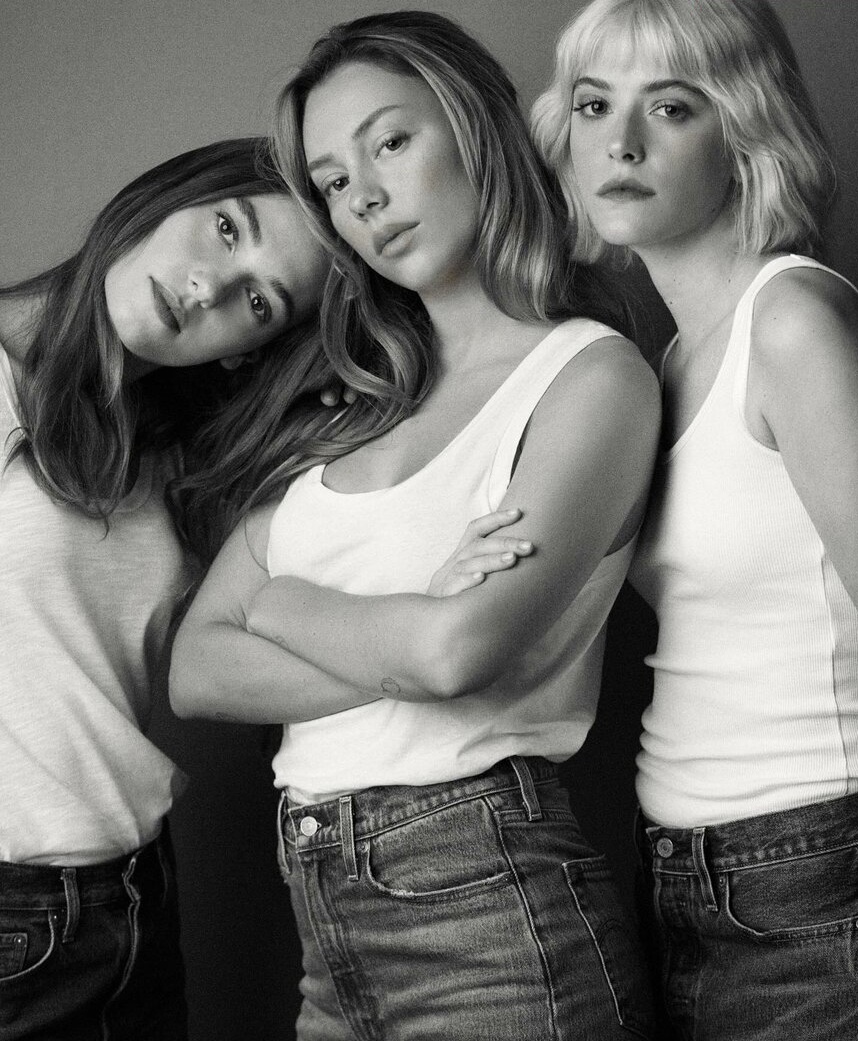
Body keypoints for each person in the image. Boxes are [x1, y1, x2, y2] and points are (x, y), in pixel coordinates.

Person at [170, 11, 660, 1039]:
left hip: (492, 916)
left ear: (472, 125)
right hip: (325, 930)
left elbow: (454, 653)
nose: (365, 198)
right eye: (333, 183)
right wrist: (402, 636)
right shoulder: (348, 408)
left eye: (390, 141)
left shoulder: (587, 376)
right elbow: (197, 669)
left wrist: (285, 604)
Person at [531, 0, 858, 1037]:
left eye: (671, 107)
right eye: (594, 106)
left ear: (746, 132)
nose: (620, 143)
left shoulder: (793, 322)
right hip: (686, 870)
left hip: (815, 865)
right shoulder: (667, 360)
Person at [0, 136, 332, 1040]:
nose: (207, 288)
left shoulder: (174, 456)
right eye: (226, 229)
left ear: (251, 351)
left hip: (134, 897)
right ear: (170, 195)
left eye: (259, 302)